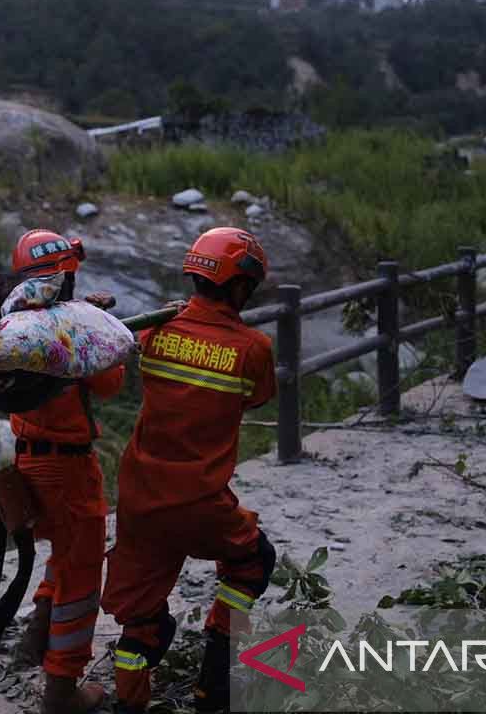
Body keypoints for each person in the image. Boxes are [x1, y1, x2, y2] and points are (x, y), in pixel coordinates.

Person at [101, 227, 278, 714]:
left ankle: (129, 705)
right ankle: (215, 682)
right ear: (240, 286)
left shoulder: (156, 330)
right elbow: (258, 397)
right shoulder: (253, 348)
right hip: (199, 501)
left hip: (139, 497)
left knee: (142, 621)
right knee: (253, 562)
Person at [5, 229, 124, 714]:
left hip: (27, 458)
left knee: (62, 549)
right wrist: (96, 321)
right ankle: (61, 690)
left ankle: (35, 636)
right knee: (81, 574)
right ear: (66, 275)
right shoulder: (70, 325)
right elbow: (110, 380)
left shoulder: (11, 319)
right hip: (69, 467)